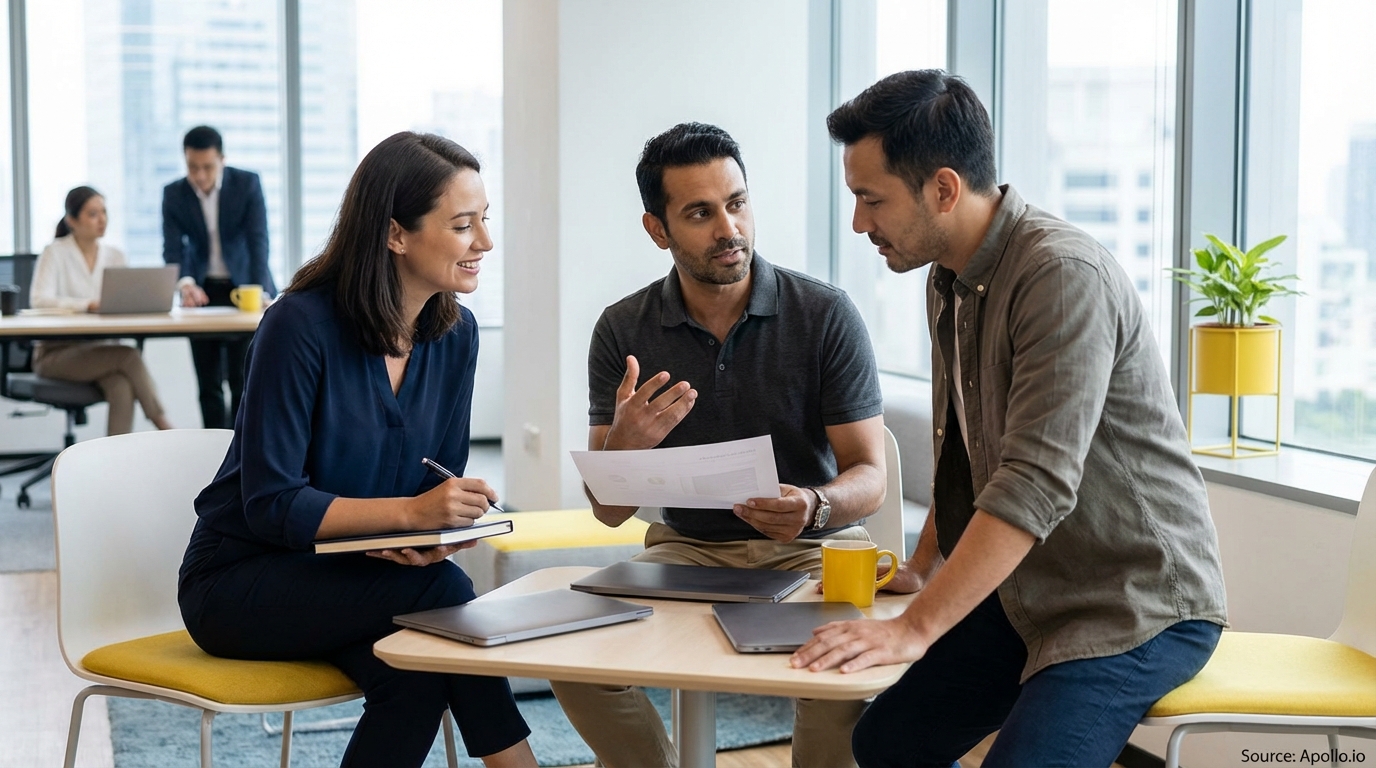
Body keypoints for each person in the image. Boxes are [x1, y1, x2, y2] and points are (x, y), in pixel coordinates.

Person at [790, 70, 1229, 768]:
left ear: (942, 188)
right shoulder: (949, 277)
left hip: (1130, 604)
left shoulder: (1060, 276)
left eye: (871, 200)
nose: (859, 224)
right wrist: (922, 567)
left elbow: (1034, 482)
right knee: (885, 741)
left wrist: (916, 629)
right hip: (1025, 595)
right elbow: (963, 449)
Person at [176, 132, 536, 768]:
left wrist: (436, 527)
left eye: (485, 221)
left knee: (418, 667)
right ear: (396, 234)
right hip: (239, 581)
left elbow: (434, 481)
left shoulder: (456, 336)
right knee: (443, 597)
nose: (484, 242)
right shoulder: (299, 325)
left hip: (357, 575)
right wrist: (407, 518)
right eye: (462, 225)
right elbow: (272, 505)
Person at [550, 122, 888, 768]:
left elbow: (869, 474)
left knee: (840, 668)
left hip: (811, 552)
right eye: (700, 213)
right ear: (658, 230)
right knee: (574, 653)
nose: (728, 228)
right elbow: (609, 511)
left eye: (736, 203)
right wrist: (623, 450)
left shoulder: (824, 314)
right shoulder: (623, 328)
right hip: (686, 549)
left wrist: (814, 504)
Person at [29, 186, 174, 435]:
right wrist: (86, 305)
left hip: (99, 350)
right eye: (93, 213)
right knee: (128, 356)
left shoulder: (115, 256)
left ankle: (114, 465)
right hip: (56, 355)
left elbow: (125, 301)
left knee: (120, 386)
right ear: (72, 220)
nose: (102, 219)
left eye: (104, 212)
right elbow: (39, 299)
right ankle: (165, 427)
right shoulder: (55, 252)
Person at [162, 124, 275, 429]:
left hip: (245, 287)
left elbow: (258, 240)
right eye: (192, 167)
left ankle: (241, 453)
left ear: (222, 159)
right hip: (203, 292)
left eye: (207, 167)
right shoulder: (174, 194)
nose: (199, 176)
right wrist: (185, 283)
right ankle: (212, 455)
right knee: (208, 384)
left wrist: (260, 289)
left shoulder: (246, 184)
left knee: (243, 382)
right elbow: (172, 248)